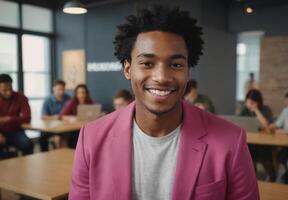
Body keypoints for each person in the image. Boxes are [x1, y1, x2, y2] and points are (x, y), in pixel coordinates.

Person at [69, 6, 259, 200]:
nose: (161, 77)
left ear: (188, 71)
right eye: (147, 63)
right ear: (127, 69)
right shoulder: (91, 139)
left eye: (176, 65)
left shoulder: (230, 141)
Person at [239, 89, 275, 181]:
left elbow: (267, 125)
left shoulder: (266, 109)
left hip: (265, 142)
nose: (249, 105)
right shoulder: (244, 110)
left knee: (264, 152)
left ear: (258, 102)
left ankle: (271, 177)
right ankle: (252, 178)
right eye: (248, 102)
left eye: (252, 102)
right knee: (247, 152)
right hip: (251, 140)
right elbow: (238, 122)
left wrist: (256, 110)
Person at [0, 74, 33, 155]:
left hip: (16, 131)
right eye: (4, 90)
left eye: (10, 89)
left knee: (28, 144)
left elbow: (27, 118)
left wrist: (8, 119)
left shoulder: (21, 97)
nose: (8, 93)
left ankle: (26, 166)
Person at [39, 80, 71, 151]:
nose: (61, 91)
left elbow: (72, 114)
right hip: (50, 128)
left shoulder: (68, 99)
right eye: (59, 89)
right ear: (53, 89)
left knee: (70, 136)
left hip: (65, 127)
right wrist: (56, 117)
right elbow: (43, 116)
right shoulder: (48, 100)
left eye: (63, 89)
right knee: (44, 137)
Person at [60, 84, 94, 148]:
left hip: (86, 127)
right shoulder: (72, 102)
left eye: (83, 92)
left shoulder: (90, 102)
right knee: (75, 135)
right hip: (74, 128)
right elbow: (62, 116)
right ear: (76, 94)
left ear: (86, 93)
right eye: (79, 92)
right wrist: (73, 118)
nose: (81, 94)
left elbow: (94, 113)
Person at [271, 89, 288, 183]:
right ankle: (280, 180)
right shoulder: (286, 110)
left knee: (282, 156)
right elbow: (278, 124)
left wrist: (286, 132)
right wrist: (273, 126)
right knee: (279, 154)